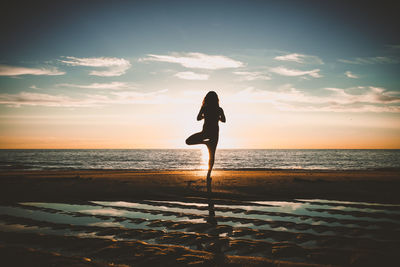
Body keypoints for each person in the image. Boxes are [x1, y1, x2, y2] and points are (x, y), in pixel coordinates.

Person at [185, 91, 226, 180]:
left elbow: (198, 118)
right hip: (214, 134)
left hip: (206, 132)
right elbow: (224, 120)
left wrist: (205, 116)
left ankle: (205, 143)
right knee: (212, 155)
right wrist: (217, 118)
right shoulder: (219, 109)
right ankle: (208, 175)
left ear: (206, 99)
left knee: (188, 141)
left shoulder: (204, 108)